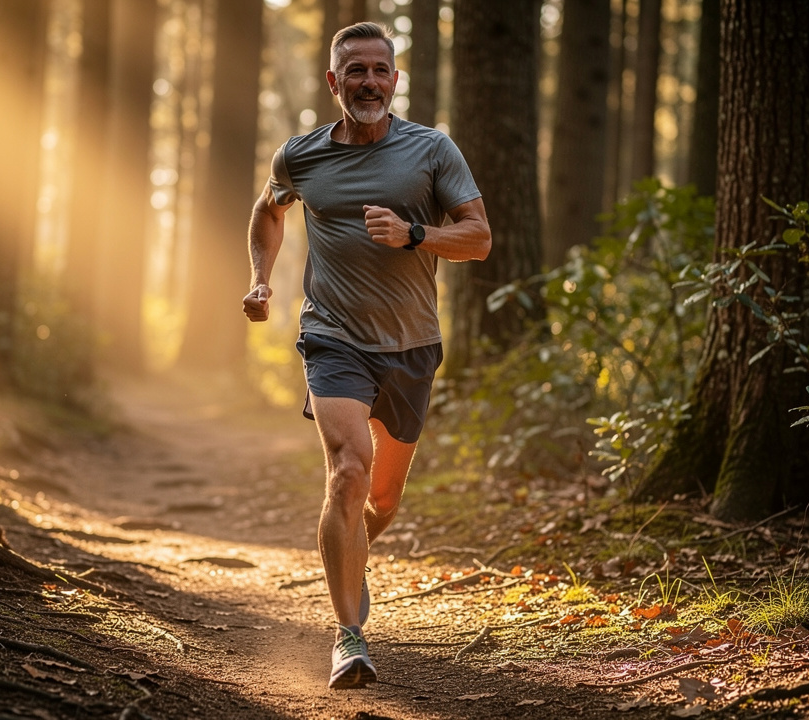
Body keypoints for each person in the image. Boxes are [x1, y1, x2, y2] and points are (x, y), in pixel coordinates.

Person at [241, 21, 491, 689]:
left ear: (395, 79)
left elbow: (479, 238)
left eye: (380, 70)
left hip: (411, 345)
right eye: (356, 71)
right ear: (334, 83)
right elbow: (269, 211)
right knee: (349, 471)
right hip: (332, 337)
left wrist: (415, 234)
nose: (369, 82)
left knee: (381, 500)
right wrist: (262, 278)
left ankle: (349, 556)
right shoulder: (301, 156)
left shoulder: (432, 151)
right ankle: (348, 634)